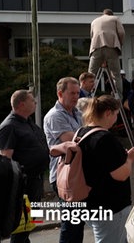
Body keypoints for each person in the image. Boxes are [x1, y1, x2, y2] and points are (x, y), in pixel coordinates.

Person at [78, 95, 134, 243]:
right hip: (111, 205)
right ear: (108, 113)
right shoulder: (105, 138)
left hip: (91, 202)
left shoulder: (82, 132)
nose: (117, 118)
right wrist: (129, 159)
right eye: (116, 114)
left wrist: (127, 155)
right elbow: (120, 175)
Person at [0, 90, 50, 243]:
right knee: (21, 227)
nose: (36, 102)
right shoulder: (9, 126)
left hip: (36, 182)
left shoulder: (27, 122)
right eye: (32, 100)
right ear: (21, 104)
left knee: (29, 225)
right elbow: (6, 160)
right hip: (23, 187)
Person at [43, 77, 85, 243]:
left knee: (78, 223)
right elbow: (75, 141)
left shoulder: (78, 113)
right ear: (60, 93)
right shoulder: (54, 116)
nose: (76, 96)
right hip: (64, 176)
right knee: (71, 224)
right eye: (72, 93)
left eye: (78, 93)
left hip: (77, 174)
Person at [88, 8, 125, 96]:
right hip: (111, 46)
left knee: (90, 74)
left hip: (96, 47)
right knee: (116, 75)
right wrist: (120, 44)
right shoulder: (115, 19)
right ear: (111, 14)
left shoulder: (94, 21)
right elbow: (121, 32)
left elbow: (92, 35)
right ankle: (118, 97)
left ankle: (86, 95)